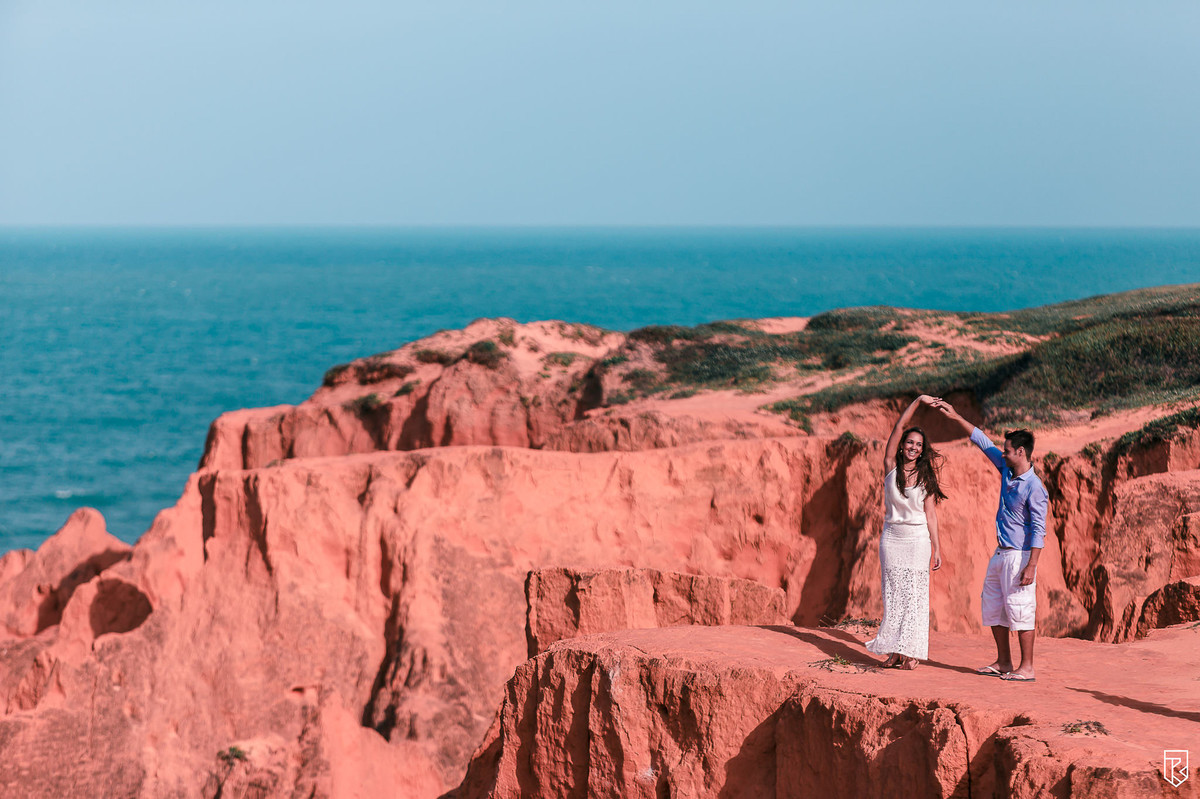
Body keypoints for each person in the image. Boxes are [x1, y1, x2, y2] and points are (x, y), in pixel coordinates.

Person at [931, 399, 1047, 682]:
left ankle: (1027, 667)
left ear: (1021, 452)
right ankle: (1004, 662)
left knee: (1021, 609)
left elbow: (1039, 529)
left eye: (1007, 450)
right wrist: (956, 416)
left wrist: (1031, 566)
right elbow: (982, 441)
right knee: (994, 607)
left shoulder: (1035, 487)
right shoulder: (1006, 469)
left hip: (1019, 556)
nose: (1002, 453)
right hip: (1000, 553)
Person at [865, 395, 946, 670]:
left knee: (914, 595)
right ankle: (895, 651)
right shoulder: (890, 467)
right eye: (910, 443)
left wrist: (937, 548)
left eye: (919, 445)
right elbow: (899, 426)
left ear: (922, 451)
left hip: (917, 540)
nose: (913, 447)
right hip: (891, 538)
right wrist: (919, 401)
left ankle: (911, 652)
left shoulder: (926, 477)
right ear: (902, 446)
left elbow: (930, 514)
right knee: (893, 594)